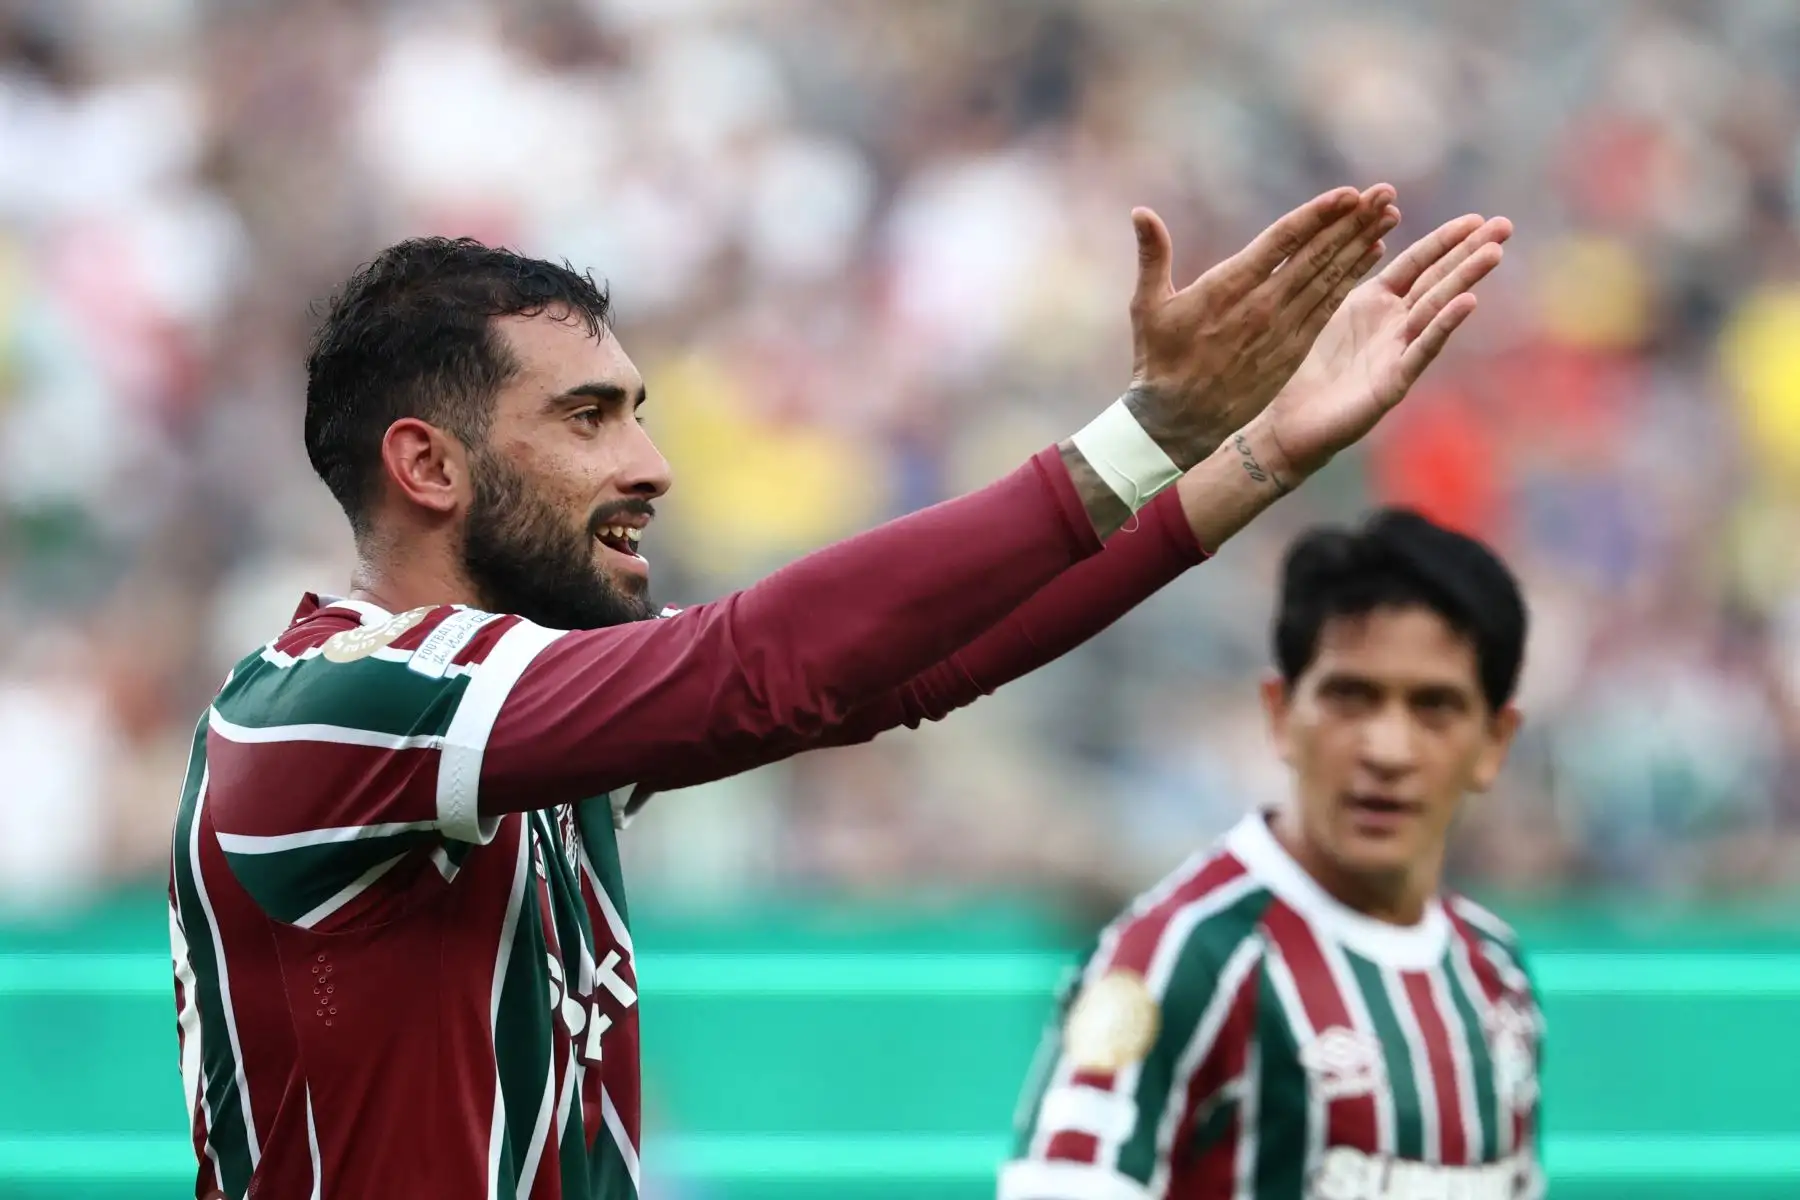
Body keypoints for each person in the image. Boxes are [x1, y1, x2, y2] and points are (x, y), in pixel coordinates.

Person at [166, 183, 1510, 1200]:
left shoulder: (510, 718)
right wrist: (1142, 430)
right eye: (587, 418)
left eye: (636, 409)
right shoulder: (335, 708)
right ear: (428, 467)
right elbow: (772, 666)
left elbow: (902, 671)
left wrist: (1254, 452)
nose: (651, 463)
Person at [1000, 508, 1544, 1200]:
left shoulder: (1494, 970)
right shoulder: (1178, 957)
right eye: (1351, 698)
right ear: (1281, 712)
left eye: (1434, 707)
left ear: (1495, 741)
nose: (1387, 750)